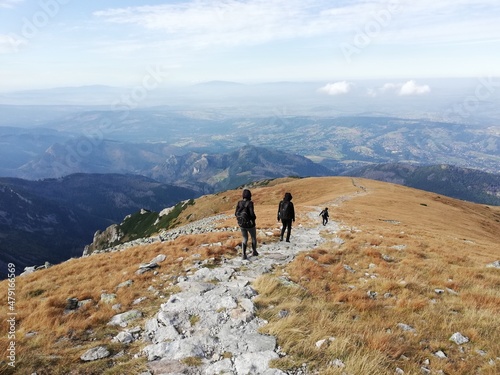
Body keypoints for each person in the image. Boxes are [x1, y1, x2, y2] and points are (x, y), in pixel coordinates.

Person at [235, 189, 258, 260]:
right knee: (253, 237)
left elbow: (235, 213)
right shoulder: (250, 203)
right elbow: (252, 214)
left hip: (241, 224)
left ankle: (243, 254)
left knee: (245, 238)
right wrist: (254, 218)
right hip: (250, 225)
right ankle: (254, 251)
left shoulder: (239, 203)